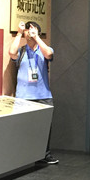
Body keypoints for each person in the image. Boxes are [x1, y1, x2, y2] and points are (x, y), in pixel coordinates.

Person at [9, 20, 58, 164]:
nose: (30, 31)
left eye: (33, 29)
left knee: (44, 128)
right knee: (23, 128)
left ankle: (44, 154)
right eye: (28, 29)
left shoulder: (44, 49)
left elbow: (49, 54)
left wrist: (36, 37)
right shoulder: (22, 50)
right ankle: (23, 157)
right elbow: (11, 53)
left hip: (43, 95)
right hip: (23, 97)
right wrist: (19, 33)